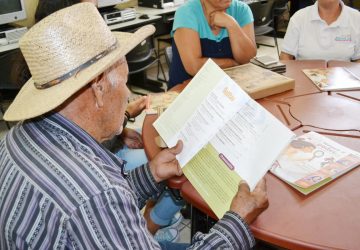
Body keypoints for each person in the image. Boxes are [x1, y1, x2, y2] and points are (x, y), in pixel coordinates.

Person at [0, 3, 269, 249]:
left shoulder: (18, 137)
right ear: (98, 88)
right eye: (125, 82)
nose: (129, 95)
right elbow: (98, 203)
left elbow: (99, 215)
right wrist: (237, 220)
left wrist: (150, 174)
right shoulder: (97, 194)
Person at [168, 0, 257, 88]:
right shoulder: (186, 12)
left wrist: (232, 24)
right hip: (187, 90)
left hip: (227, 87)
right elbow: (194, 67)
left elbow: (247, 59)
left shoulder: (242, 10)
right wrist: (231, 63)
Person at [280, 0, 360, 62]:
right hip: (303, 79)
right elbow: (286, 56)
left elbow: (358, 59)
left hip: (344, 81)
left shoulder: (356, 18)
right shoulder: (299, 18)